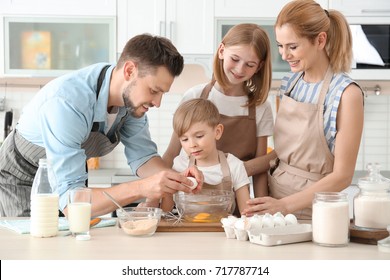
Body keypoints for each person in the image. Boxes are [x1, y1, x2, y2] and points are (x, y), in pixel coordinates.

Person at [0, 34, 203, 218]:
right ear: (130, 71)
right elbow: (73, 204)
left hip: (70, 179)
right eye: (153, 90)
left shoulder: (131, 101)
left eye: (162, 94)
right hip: (22, 176)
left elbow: (144, 158)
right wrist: (142, 187)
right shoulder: (67, 102)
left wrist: (176, 180)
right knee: (37, 248)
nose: (157, 103)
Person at [242, 0, 364, 219]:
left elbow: (342, 176)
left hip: (315, 213)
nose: (284, 55)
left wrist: (285, 206)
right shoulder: (290, 83)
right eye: (280, 45)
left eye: (293, 46)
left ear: (320, 40)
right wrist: (236, 170)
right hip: (275, 205)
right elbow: (284, 153)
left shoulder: (346, 94)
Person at [163, 23, 274, 200]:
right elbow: (171, 154)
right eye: (235, 59)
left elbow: (260, 169)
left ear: (259, 67)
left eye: (250, 64)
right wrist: (155, 200)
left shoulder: (261, 107)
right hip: (190, 204)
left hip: (235, 206)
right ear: (221, 51)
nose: (240, 69)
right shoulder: (195, 96)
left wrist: (261, 207)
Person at [160, 98, 251, 215]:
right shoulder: (179, 164)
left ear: (217, 132)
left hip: (222, 231)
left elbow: (247, 213)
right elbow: (166, 212)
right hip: (187, 230)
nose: (192, 144)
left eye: (199, 136)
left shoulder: (234, 165)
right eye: (185, 139)